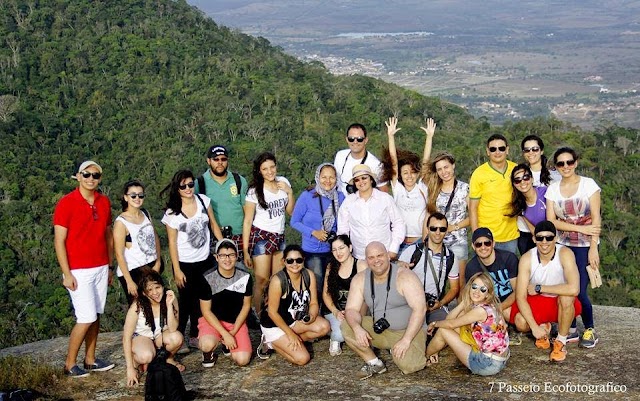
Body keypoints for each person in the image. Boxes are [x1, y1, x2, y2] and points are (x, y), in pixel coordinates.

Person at [53, 160, 115, 378]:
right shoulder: (66, 203)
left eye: (95, 175)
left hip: (100, 266)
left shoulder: (104, 201)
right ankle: (70, 364)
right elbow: (59, 240)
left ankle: (90, 359)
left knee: (96, 315)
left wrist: (109, 265)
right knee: (85, 317)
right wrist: (67, 273)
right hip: (78, 270)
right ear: (78, 176)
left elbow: (108, 234)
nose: (91, 179)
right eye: (86, 175)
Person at [342, 242, 427, 380]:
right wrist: (357, 328)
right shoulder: (360, 279)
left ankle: (411, 348)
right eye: (371, 257)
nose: (376, 260)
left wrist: (406, 340)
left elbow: (420, 309)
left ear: (388, 256)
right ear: (366, 260)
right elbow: (351, 309)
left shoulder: (405, 276)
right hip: (380, 329)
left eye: (380, 255)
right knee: (347, 326)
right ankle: (374, 362)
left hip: (408, 330)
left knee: (409, 366)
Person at [545, 147, 601, 348]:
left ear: (576, 162)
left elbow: (596, 218)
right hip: (562, 245)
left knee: (579, 290)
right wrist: (576, 227)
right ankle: (569, 328)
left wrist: (593, 247)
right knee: (563, 288)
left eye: (569, 162)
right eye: (561, 163)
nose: (566, 166)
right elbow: (551, 221)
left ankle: (589, 328)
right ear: (556, 167)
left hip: (585, 245)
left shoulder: (588, 185)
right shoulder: (553, 189)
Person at [161, 169, 223, 351]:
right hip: (185, 263)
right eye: (183, 186)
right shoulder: (173, 213)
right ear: (177, 188)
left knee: (203, 297)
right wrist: (177, 269)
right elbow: (172, 243)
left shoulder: (203, 201)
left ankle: (195, 334)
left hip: (204, 259)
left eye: (190, 184)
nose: (188, 188)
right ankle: (179, 336)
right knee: (186, 300)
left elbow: (213, 224)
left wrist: (222, 246)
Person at [510, 221, 581, 362]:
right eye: (540, 238)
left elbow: (574, 288)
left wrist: (540, 288)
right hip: (538, 300)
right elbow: (520, 296)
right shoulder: (527, 258)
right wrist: (534, 327)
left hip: (560, 301)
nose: (544, 242)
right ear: (534, 239)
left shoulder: (565, 253)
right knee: (520, 323)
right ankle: (543, 328)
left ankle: (560, 341)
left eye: (549, 238)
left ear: (555, 238)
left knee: (567, 297)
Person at [257, 245, 330, 365]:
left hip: (293, 321)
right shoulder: (278, 280)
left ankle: (292, 342)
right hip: (275, 324)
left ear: (304, 260)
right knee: (302, 359)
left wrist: (311, 316)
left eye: (299, 260)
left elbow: (314, 303)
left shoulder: (308, 275)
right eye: (290, 260)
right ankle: (270, 343)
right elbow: (272, 312)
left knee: (324, 327)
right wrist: (290, 335)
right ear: (283, 261)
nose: (294, 264)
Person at [426, 272, 510, 376]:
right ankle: (434, 352)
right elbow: (449, 319)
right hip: (500, 360)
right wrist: (463, 304)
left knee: (443, 330)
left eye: (482, 289)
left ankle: (426, 357)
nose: (477, 291)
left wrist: (434, 324)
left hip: (487, 364)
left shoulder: (480, 311)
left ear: (488, 294)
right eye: (474, 287)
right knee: (455, 321)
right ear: (469, 287)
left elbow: (450, 324)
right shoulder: (491, 305)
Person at [242, 152, 295, 314]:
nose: (270, 171)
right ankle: (259, 315)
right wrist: (245, 250)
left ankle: (274, 313)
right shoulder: (254, 191)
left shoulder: (283, 183)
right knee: (262, 280)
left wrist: (289, 192)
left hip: (279, 236)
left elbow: (291, 212)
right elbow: (248, 221)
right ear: (259, 171)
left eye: (272, 167)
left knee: (278, 279)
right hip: (261, 237)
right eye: (265, 169)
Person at [291, 163, 345, 303]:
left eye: (331, 177)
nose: (328, 181)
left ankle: (331, 316)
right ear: (318, 177)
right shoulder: (307, 196)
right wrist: (313, 232)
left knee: (333, 287)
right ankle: (316, 316)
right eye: (324, 177)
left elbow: (344, 222)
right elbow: (294, 221)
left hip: (333, 250)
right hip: (312, 251)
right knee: (317, 287)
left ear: (336, 179)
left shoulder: (340, 197)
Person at [196, 239, 253, 367]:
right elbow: (206, 311)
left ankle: (227, 344)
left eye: (231, 255)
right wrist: (225, 334)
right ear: (216, 257)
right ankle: (209, 352)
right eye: (222, 255)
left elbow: (246, 306)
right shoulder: (208, 278)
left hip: (235, 322)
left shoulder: (245, 277)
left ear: (237, 257)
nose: (227, 259)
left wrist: (233, 332)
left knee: (243, 360)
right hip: (213, 321)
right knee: (206, 344)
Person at [122, 269, 183, 386]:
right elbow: (126, 337)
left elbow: (173, 328)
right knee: (146, 356)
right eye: (149, 290)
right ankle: (137, 362)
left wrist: (169, 306)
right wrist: (129, 368)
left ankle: (168, 359)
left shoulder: (170, 298)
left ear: (162, 286)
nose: (155, 292)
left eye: (157, 287)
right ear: (144, 293)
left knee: (176, 338)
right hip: (141, 337)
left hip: (160, 335)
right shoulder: (137, 306)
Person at [398, 213, 460, 324]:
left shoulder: (450, 257)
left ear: (446, 231)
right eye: (433, 228)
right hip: (410, 303)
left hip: (434, 305)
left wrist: (440, 303)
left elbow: (454, 289)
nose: (437, 233)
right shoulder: (413, 251)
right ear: (427, 229)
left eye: (442, 229)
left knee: (447, 327)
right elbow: (395, 275)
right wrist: (399, 266)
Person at [383, 116, 432, 255]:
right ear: (400, 175)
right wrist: (390, 136)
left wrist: (429, 137)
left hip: (419, 242)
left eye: (412, 172)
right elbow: (393, 163)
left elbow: (426, 162)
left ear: (417, 174)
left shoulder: (422, 188)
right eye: (405, 173)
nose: (409, 176)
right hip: (399, 242)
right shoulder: (398, 189)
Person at [337, 164, 405, 260]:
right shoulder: (348, 202)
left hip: (384, 255)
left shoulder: (385, 198)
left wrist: (394, 249)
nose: (361, 182)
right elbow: (342, 229)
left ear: (371, 180)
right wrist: (346, 251)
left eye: (364, 178)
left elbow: (398, 223)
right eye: (357, 180)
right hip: (359, 256)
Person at [195, 144, 249, 260]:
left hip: (238, 236)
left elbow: (247, 212)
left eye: (223, 159)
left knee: (240, 274)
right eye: (216, 159)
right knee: (214, 276)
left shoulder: (239, 180)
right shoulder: (199, 184)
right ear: (209, 161)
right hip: (212, 238)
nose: (220, 162)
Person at [114, 180, 163, 305]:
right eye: (133, 195)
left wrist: (158, 262)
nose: (137, 198)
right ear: (126, 197)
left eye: (140, 195)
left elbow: (155, 237)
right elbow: (119, 254)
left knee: (157, 304)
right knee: (140, 309)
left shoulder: (145, 214)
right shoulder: (121, 222)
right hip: (133, 270)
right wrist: (129, 281)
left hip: (151, 266)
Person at [424, 151, 470, 283]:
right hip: (436, 240)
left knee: (460, 281)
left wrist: (454, 227)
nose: (444, 172)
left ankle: (461, 304)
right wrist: (425, 238)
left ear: (453, 166)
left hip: (458, 240)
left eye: (446, 167)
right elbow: (429, 215)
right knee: (435, 280)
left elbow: (474, 217)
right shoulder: (434, 189)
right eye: (439, 169)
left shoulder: (464, 188)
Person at [469, 134, 518, 254]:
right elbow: (473, 208)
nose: (497, 152)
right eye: (493, 149)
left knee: (509, 271)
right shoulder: (479, 173)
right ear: (487, 151)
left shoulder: (515, 169)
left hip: (510, 235)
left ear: (507, 150)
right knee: (486, 272)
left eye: (501, 148)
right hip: (487, 237)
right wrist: (476, 236)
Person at [322, 235, 368, 356]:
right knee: (340, 335)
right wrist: (335, 311)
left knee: (356, 329)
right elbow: (326, 294)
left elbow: (366, 296)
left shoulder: (361, 265)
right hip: (336, 310)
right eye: (334, 250)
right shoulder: (331, 267)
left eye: (341, 248)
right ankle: (334, 335)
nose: (338, 252)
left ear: (350, 247)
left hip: (356, 310)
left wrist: (354, 317)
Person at [464, 228, 518, 322]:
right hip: (487, 305)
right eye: (478, 244)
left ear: (493, 243)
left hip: (510, 301)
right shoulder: (472, 267)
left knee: (513, 317)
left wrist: (499, 308)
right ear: (473, 246)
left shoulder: (509, 258)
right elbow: (471, 296)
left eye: (487, 243)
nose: (483, 247)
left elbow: (517, 291)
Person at [334, 123, 387, 195]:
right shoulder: (340, 156)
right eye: (351, 139)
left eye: (359, 139)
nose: (355, 142)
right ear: (346, 139)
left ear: (366, 140)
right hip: (340, 202)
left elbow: (383, 191)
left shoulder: (376, 165)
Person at [508, 164, 548, 255]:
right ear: (514, 184)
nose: (522, 182)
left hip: (550, 236)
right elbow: (529, 225)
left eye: (526, 177)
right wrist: (538, 237)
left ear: (532, 179)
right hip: (533, 236)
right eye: (517, 180)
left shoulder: (545, 193)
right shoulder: (518, 203)